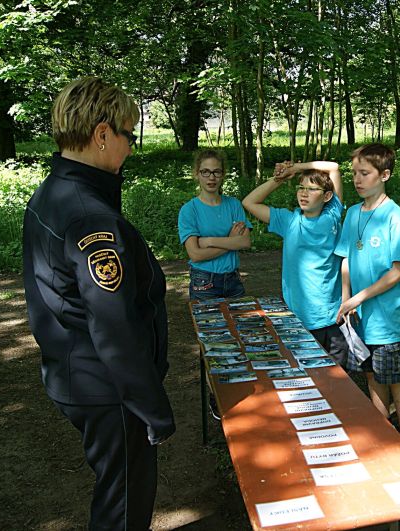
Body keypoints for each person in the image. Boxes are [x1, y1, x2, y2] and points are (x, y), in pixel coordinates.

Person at [22, 77, 175, 529]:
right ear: (102, 133)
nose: (132, 146)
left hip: (76, 372)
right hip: (108, 389)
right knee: (124, 506)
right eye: (130, 135)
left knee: (117, 493)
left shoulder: (53, 192)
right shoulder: (90, 217)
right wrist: (151, 407)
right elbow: (114, 326)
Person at [335, 143, 400, 455]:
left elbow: (398, 271)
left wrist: (359, 297)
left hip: (388, 320)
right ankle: (383, 432)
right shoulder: (352, 214)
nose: (357, 180)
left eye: (365, 173)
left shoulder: (394, 217)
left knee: (394, 379)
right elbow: (346, 258)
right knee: (372, 376)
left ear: (384, 175)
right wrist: (346, 299)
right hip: (359, 319)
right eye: (354, 174)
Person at [242, 160, 349, 366]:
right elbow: (249, 202)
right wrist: (279, 179)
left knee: (337, 376)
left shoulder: (332, 216)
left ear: (327, 196)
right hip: (298, 319)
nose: (304, 193)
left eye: (312, 189)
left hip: (331, 317)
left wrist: (297, 168)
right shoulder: (289, 221)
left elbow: (334, 167)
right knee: (305, 374)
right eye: (301, 188)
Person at [178, 149, 252, 301]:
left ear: (223, 174)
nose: (211, 177)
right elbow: (196, 255)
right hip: (204, 280)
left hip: (233, 279)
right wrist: (231, 241)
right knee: (209, 318)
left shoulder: (234, 204)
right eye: (205, 172)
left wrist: (209, 241)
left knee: (240, 317)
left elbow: (245, 242)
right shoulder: (189, 210)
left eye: (216, 172)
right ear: (196, 174)